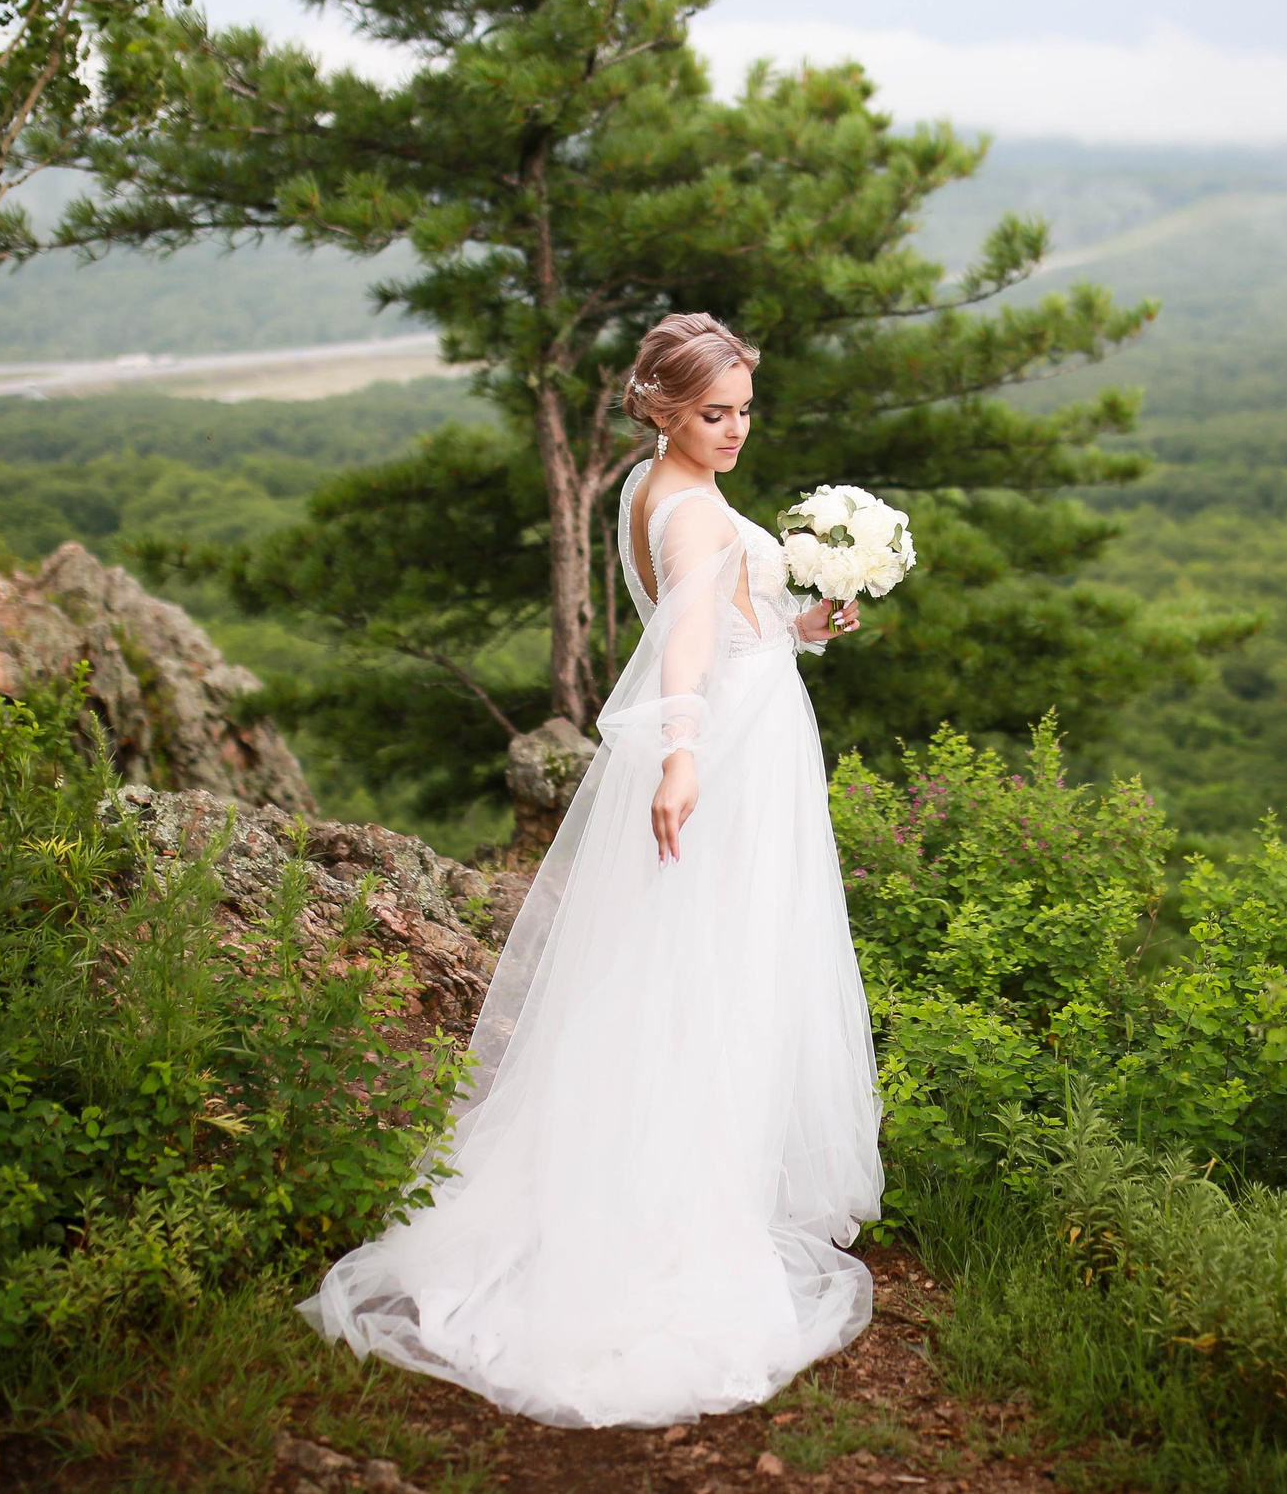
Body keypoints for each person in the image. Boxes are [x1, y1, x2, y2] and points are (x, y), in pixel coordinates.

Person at [299, 312, 884, 1428]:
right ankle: (675, 1207)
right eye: (713, 413)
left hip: (744, 726)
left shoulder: (642, 487)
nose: (734, 432)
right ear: (663, 406)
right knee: (718, 968)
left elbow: (728, 621)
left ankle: (663, 1169)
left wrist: (807, 624)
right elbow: (687, 642)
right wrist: (679, 755)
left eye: (745, 411)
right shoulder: (695, 511)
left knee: (690, 958)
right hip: (726, 753)